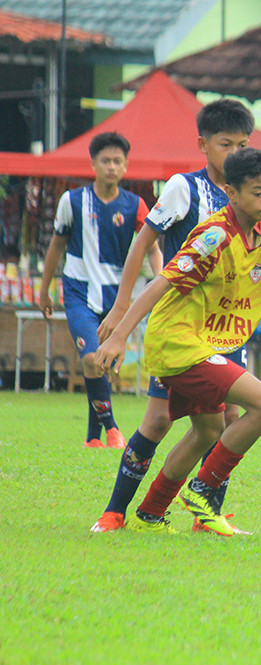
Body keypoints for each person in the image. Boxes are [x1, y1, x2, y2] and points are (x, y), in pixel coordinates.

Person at [93, 148, 261, 535]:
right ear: (231, 192)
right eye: (258, 192)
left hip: (208, 343)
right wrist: (120, 336)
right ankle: (201, 490)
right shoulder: (215, 234)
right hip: (179, 343)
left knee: (208, 430)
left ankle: (150, 514)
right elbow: (161, 281)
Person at [90, 98, 255, 533]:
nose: (236, 154)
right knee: (159, 420)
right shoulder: (185, 187)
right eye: (226, 144)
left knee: (229, 419)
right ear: (203, 145)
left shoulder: (248, 196)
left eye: (244, 145)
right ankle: (114, 512)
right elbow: (144, 240)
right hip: (180, 327)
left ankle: (205, 516)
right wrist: (123, 305)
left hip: (223, 327)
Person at [37, 132, 163, 449]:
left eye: (117, 161)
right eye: (105, 160)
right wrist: (44, 289)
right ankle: (112, 430)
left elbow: (151, 246)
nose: (111, 166)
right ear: (93, 163)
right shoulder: (72, 200)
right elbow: (56, 246)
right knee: (93, 358)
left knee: (101, 365)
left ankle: (93, 438)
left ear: (125, 166)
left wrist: (161, 278)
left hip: (116, 299)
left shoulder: (135, 205)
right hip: (78, 294)